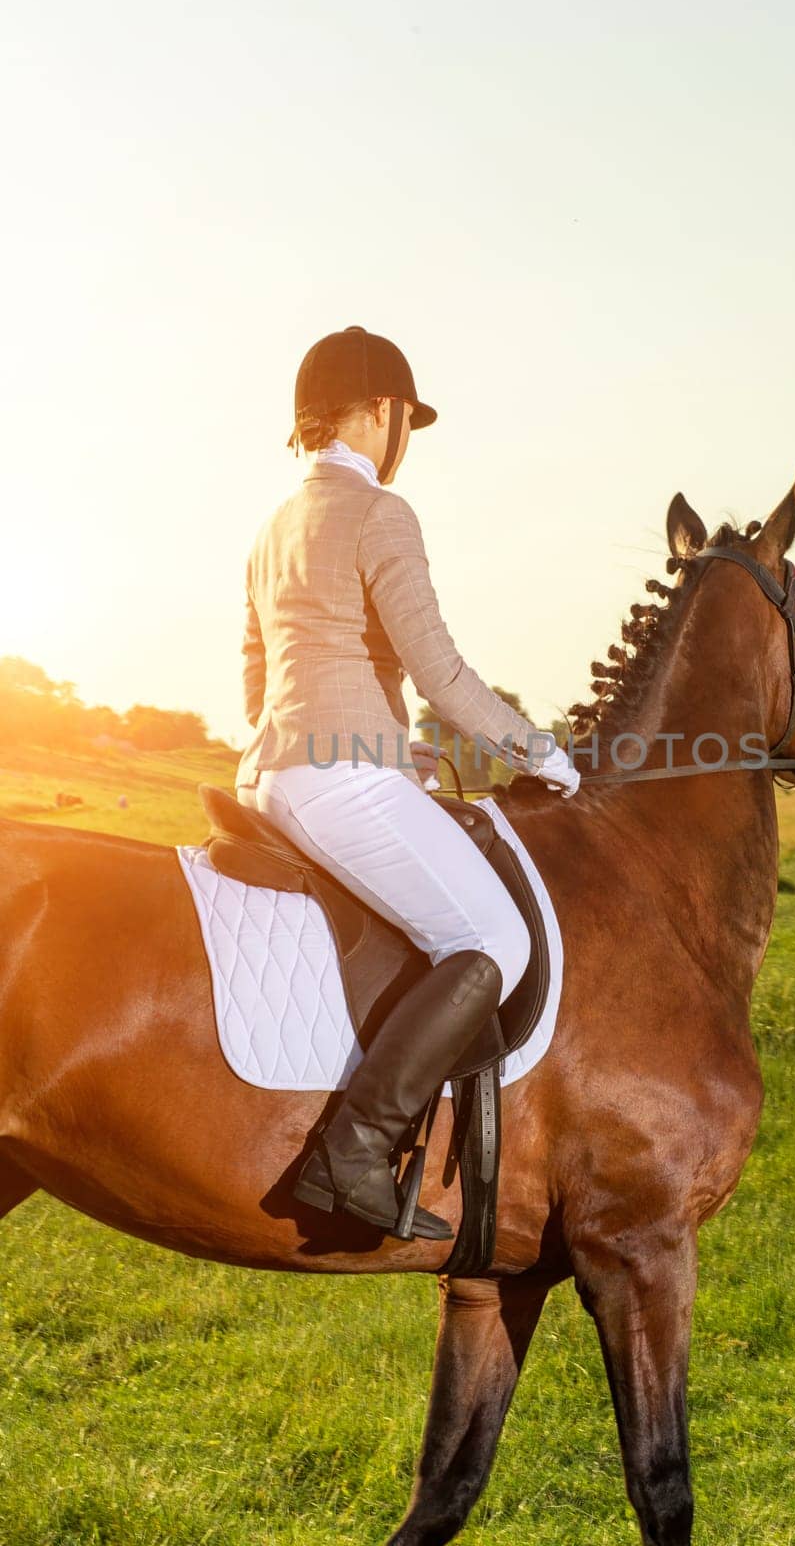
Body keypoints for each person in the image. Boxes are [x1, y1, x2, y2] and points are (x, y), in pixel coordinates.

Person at [236, 326, 579, 1242]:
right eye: (407, 423)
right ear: (385, 412)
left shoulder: (275, 524)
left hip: (276, 773)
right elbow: (440, 671)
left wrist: (387, 746)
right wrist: (541, 753)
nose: (406, 443)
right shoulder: (382, 512)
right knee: (492, 937)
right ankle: (352, 1150)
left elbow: (256, 678)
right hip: (335, 779)